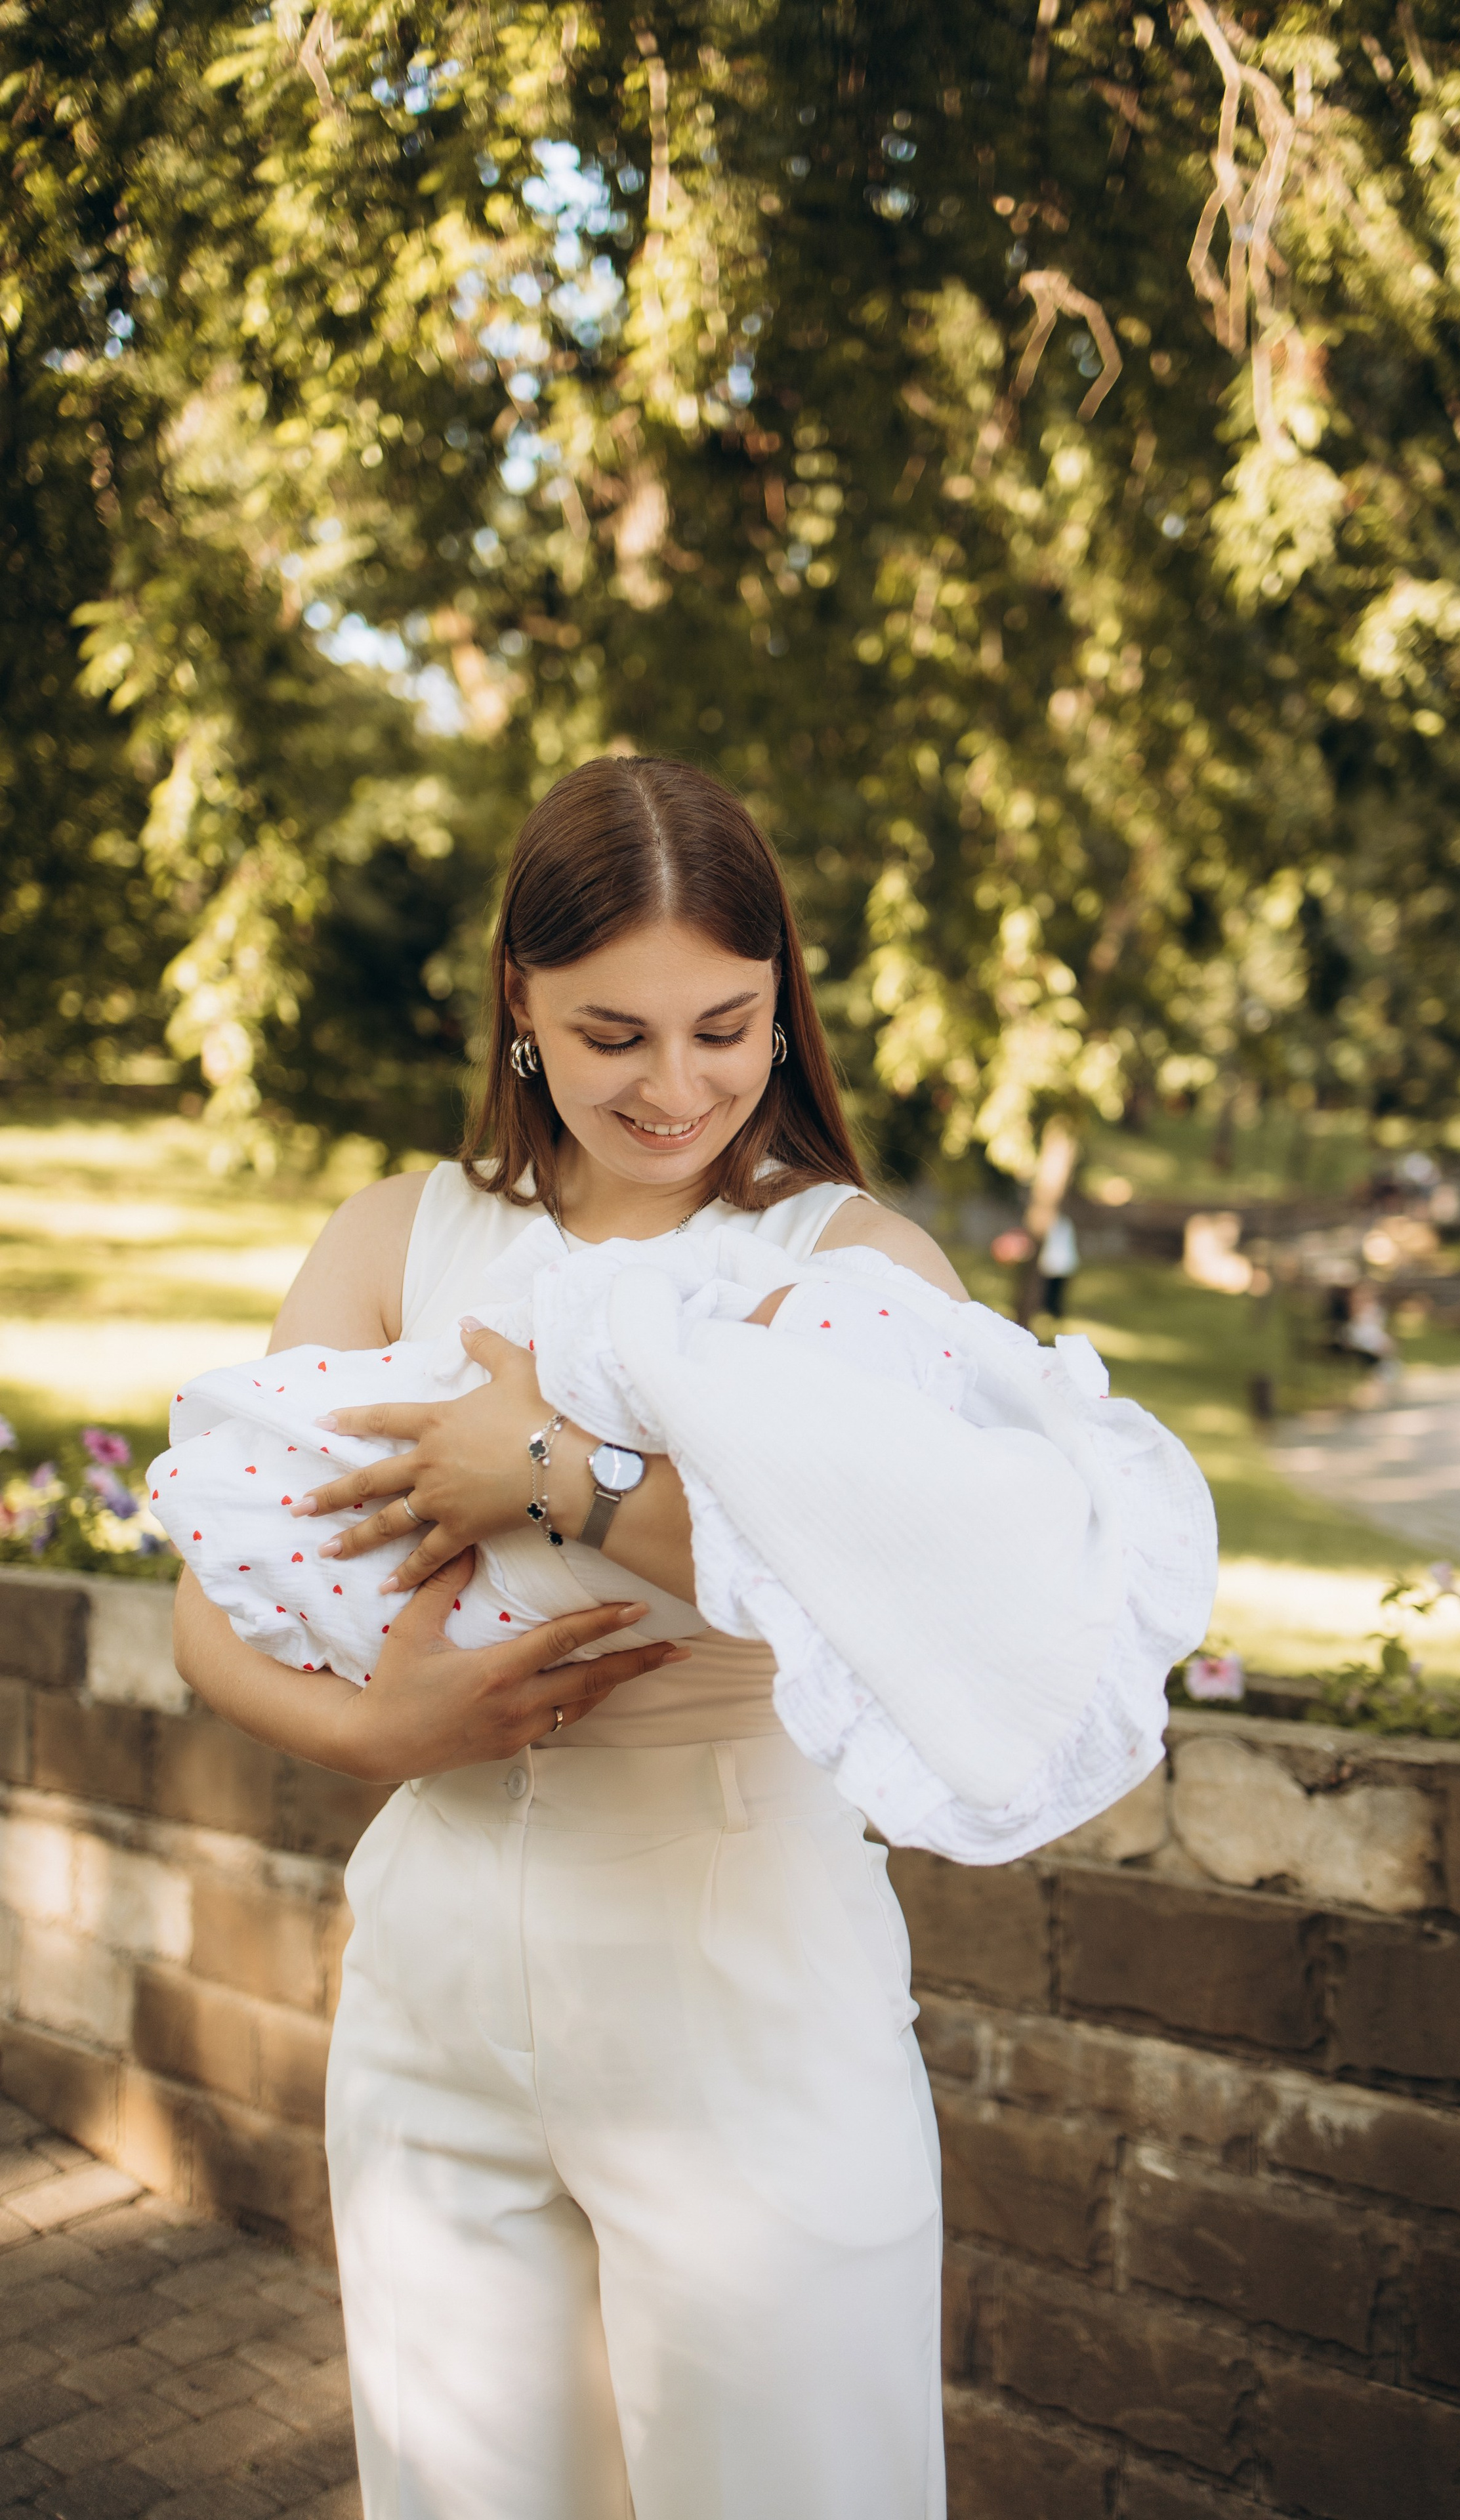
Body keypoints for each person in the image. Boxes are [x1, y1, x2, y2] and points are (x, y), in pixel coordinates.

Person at [172, 756, 1214, 2520]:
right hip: (435, 1974)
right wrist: (381, 1739)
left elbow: (946, 1598)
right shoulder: (395, 1237)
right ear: (519, 1006)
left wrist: (554, 1474)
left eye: (726, 1027)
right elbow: (216, 1611)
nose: (676, 1087)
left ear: (784, 1006)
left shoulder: (851, 1262)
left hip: (744, 1984)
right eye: (612, 1035)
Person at [1037, 1208, 1081, 1319]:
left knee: (1054, 1290)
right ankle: (1050, 1310)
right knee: (1052, 1290)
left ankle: (1052, 1311)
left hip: (1056, 1263)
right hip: (1059, 1263)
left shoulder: (1057, 1222)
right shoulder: (1063, 1222)